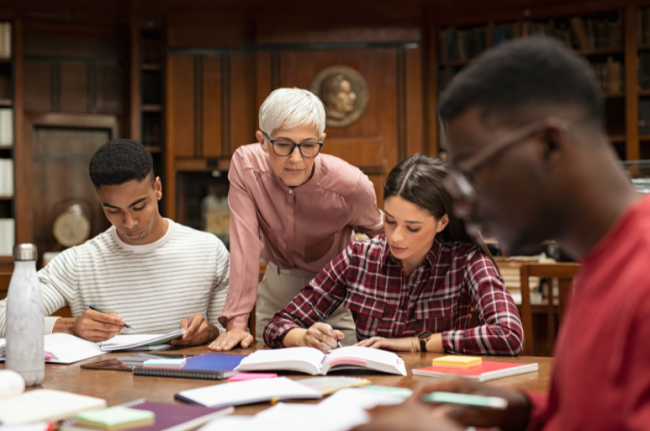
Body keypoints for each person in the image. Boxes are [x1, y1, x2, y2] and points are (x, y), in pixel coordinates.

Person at [356, 37, 650, 431]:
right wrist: (524, 409)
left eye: (471, 174)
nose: (462, 206)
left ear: (548, 144)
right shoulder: (599, 266)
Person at [264, 154, 523, 356]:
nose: (396, 237)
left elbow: (509, 335)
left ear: (442, 222)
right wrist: (303, 337)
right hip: (371, 389)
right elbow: (278, 323)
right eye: (389, 221)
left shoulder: (467, 261)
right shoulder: (359, 257)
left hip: (437, 390)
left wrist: (415, 344)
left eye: (412, 227)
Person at [0, 139, 229, 346]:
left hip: (187, 384)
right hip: (105, 387)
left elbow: (235, 335)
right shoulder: (80, 261)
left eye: (138, 207)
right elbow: (4, 318)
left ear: (157, 188)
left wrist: (209, 332)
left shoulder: (209, 251)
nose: (129, 223)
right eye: (113, 210)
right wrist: (71, 327)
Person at [210, 88, 383, 351]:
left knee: (341, 376)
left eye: (308, 146)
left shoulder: (352, 185)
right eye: (282, 144)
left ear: (321, 140)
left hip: (337, 295)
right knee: (269, 378)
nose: (295, 159)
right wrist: (237, 324)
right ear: (263, 141)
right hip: (276, 292)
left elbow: (385, 239)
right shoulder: (245, 166)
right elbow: (245, 245)